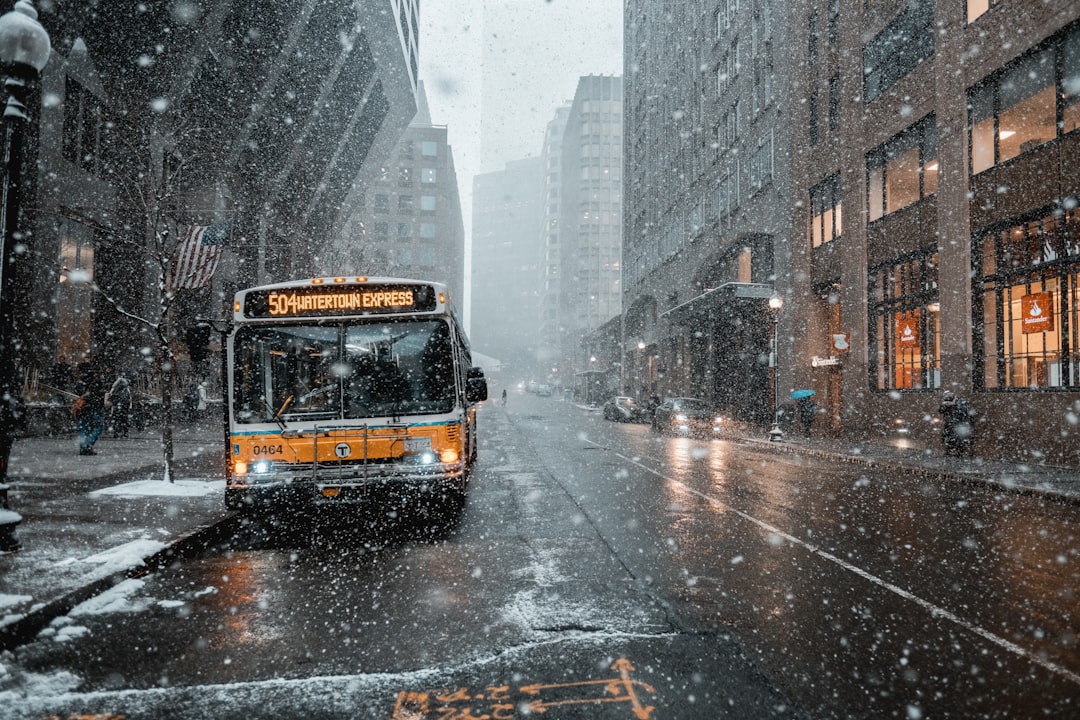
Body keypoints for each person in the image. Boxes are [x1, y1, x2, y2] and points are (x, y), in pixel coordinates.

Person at [74, 367, 107, 455]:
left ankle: (82, 447)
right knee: (98, 427)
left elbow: (77, 392)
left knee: (83, 428)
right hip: (95, 408)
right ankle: (88, 445)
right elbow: (101, 395)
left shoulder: (81, 382)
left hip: (83, 408)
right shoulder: (98, 382)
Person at [939, 390, 975, 458]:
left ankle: (960, 453)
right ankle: (949, 452)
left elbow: (963, 411)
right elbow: (941, 410)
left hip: (959, 424)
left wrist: (954, 404)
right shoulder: (946, 402)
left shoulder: (961, 401)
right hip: (949, 424)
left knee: (959, 439)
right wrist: (945, 405)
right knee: (948, 438)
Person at [108, 373, 132, 438]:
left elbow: (110, 398)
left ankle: (116, 433)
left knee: (116, 420)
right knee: (124, 420)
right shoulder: (127, 389)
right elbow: (129, 399)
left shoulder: (114, 388)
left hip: (116, 407)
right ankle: (125, 433)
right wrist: (129, 407)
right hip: (124, 407)